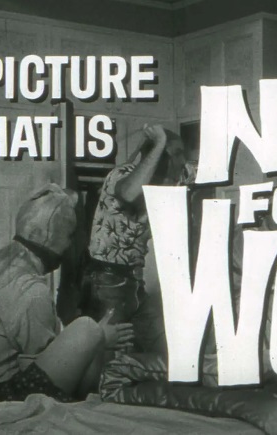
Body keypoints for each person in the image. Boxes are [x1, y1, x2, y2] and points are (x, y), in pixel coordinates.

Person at [0, 184, 133, 402]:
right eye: (69, 236)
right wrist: (99, 339)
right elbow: (50, 367)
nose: (70, 245)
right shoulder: (30, 289)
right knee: (88, 328)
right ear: (43, 236)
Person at [83, 124, 195, 354]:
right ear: (157, 157)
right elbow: (128, 193)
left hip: (134, 280)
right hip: (107, 280)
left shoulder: (169, 182)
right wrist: (159, 143)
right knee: (112, 353)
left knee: (163, 347)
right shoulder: (122, 174)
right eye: (176, 154)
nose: (182, 161)